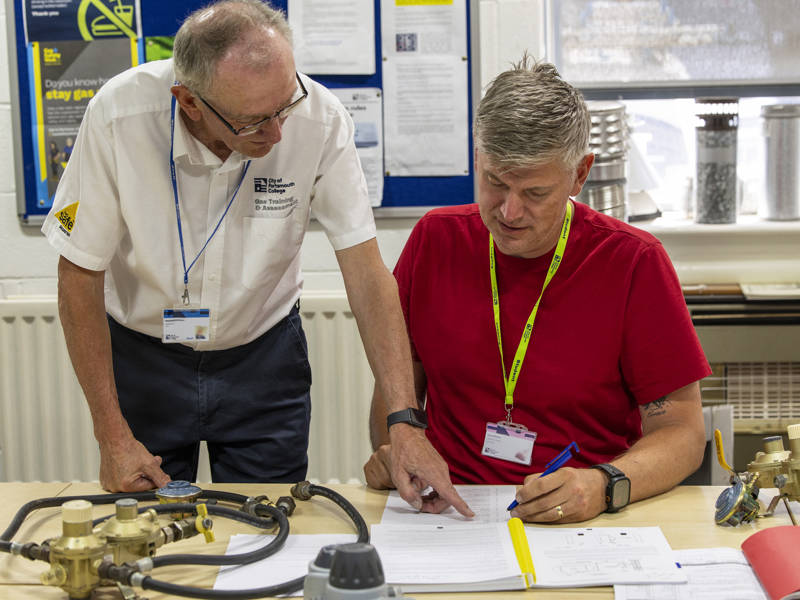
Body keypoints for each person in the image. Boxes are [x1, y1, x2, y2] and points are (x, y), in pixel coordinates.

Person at [41, 0, 471, 517]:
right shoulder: (119, 115)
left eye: (284, 105)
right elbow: (79, 274)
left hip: (263, 358)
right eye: (254, 122)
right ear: (189, 102)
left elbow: (366, 272)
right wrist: (110, 433)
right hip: (144, 356)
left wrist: (405, 421)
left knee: (271, 524)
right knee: (147, 526)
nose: (278, 133)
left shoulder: (320, 117)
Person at [363, 56, 710, 523]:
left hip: (583, 514)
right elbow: (397, 390)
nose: (508, 212)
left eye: (535, 193)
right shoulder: (435, 240)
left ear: (580, 174)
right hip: (450, 511)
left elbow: (683, 432)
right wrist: (393, 450)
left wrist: (606, 484)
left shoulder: (634, 262)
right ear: (477, 157)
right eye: (495, 182)